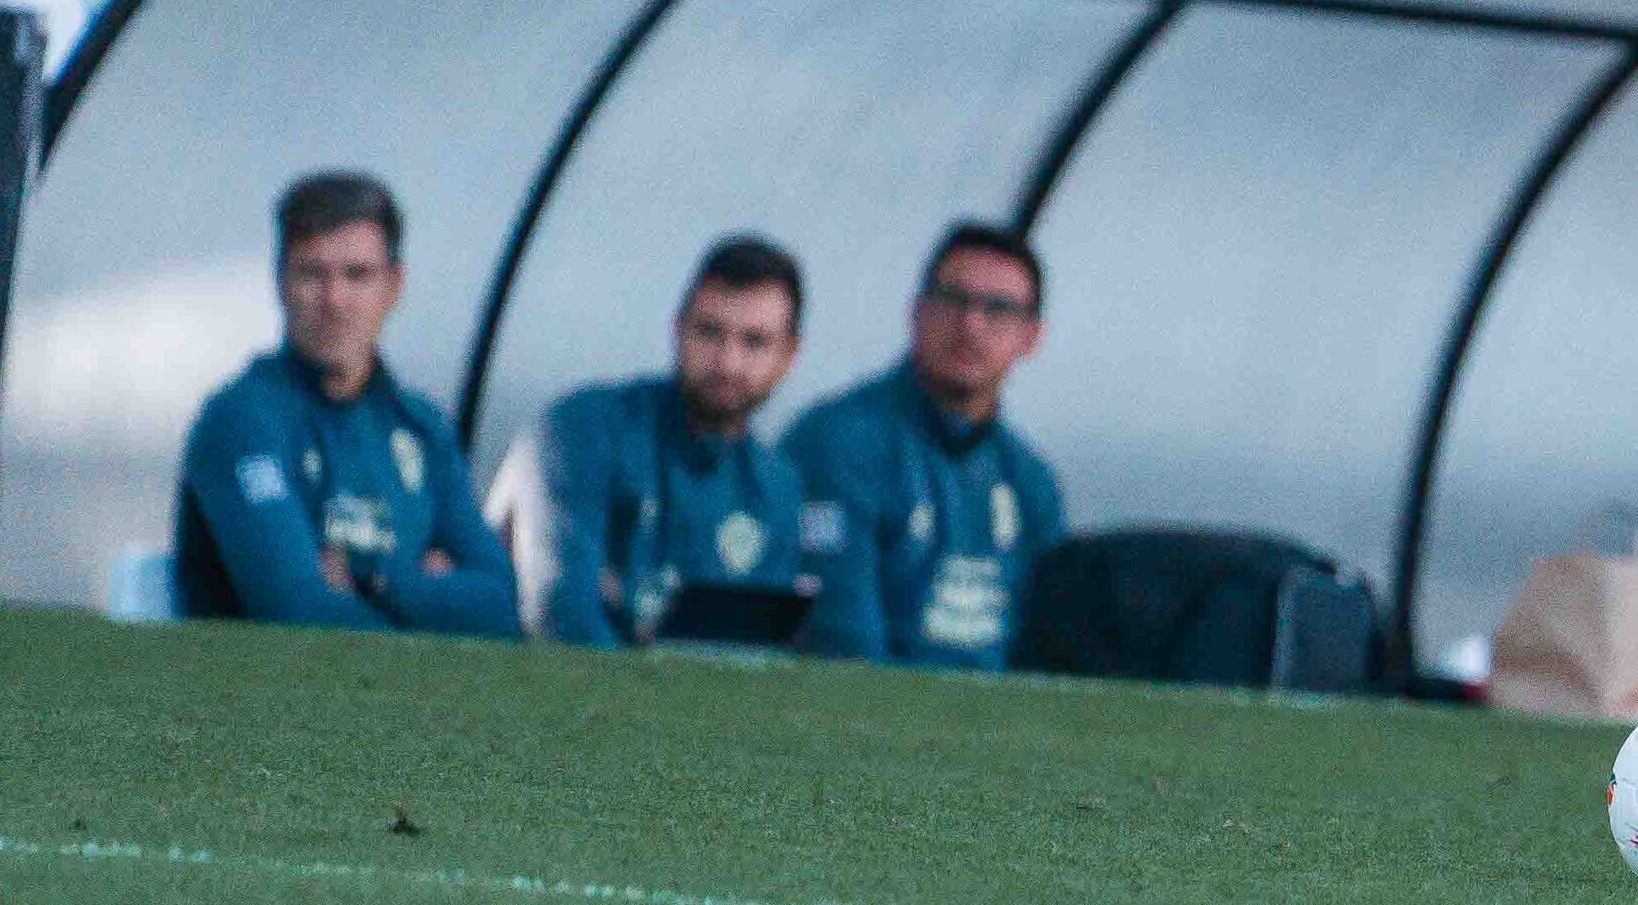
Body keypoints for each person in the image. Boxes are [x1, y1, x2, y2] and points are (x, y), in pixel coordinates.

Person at [173, 169, 516, 634]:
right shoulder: (241, 421)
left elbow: (504, 603)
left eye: (358, 276)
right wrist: (432, 596)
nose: (335, 300)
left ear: (394, 287)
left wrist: (373, 580)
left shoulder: (419, 427)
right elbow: (295, 610)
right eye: (313, 275)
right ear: (280, 283)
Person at [790, 224, 1066, 671]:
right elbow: (844, 646)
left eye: (999, 309)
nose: (971, 325)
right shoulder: (839, 442)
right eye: (954, 300)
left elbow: (1055, 650)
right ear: (916, 311)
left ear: (1031, 337)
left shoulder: (1030, 480)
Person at [525, 236, 815, 649]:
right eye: (709, 332)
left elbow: (755, 651)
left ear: (789, 356)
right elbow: (564, 613)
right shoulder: (588, 427)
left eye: (754, 342)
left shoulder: (777, 486)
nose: (727, 362)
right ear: (678, 328)